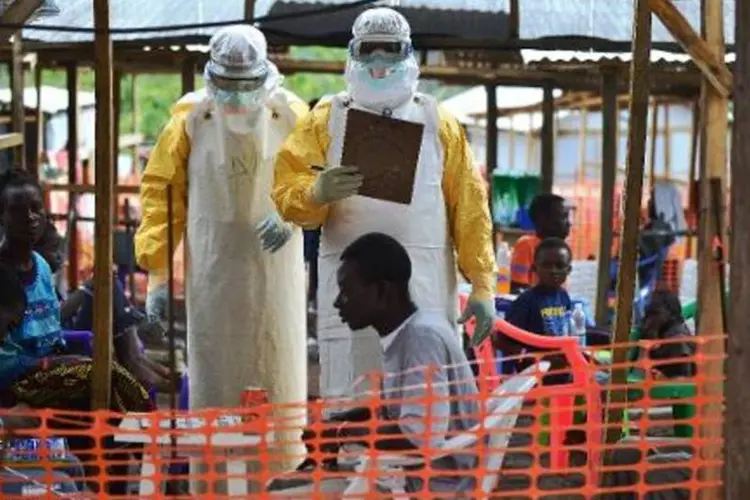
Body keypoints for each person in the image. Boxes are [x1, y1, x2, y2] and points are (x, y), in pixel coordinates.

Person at [272, 7, 496, 398]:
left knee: (422, 390)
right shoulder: (326, 117)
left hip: (423, 283)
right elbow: (288, 187)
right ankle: (354, 455)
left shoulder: (438, 121)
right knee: (354, 391)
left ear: (407, 52)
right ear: (353, 52)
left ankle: (420, 456)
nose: (379, 63)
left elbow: (471, 210)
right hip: (351, 285)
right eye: (369, 51)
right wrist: (315, 192)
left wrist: (482, 284)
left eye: (389, 51)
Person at [134, 25, 309, 471]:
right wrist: (156, 275)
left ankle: (283, 479)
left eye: (246, 86)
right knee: (217, 387)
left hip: (276, 279)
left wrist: (294, 214)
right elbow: (161, 195)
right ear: (213, 79)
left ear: (264, 77)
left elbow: (317, 177)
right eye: (227, 86)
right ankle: (208, 484)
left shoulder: (292, 116)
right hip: (213, 278)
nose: (236, 97)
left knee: (278, 386)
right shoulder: (190, 121)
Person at [0, 169, 151, 495]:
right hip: (16, 383)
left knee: (112, 386)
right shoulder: (1, 274)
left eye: (35, 208)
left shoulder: (39, 266)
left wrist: (58, 356)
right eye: (17, 210)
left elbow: (51, 324)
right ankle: (127, 460)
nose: (30, 217)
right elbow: (6, 357)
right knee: (105, 379)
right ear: (1, 216)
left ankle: (125, 469)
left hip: (48, 368)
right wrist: (48, 364)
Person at [298, 233, 479, 494]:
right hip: (420, 474)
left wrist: (341, 432)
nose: (338, 302)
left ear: (382, 290)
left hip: (441, 484)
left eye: (347, 291)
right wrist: (342, 420)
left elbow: (419, 436)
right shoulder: (411, 331)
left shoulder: (421, 339)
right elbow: (400, 411)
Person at [495, 237, 574, 383]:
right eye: (546, 265)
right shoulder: (526, 301)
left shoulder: (564, 297)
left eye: (559, 265)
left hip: (561, 367)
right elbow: (501, 341)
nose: (553, 271)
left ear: (568, 270)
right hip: (534, 375)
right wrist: (535, 358)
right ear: (535, 268)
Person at [510, 194, 571, 293]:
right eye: (563, 217)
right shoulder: (526, 245)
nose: (569, 223)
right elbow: (517, 287)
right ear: (543, 220)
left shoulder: (561, 250)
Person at [638, 290, 695, 379]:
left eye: (655, 314)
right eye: (648, 314)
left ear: (671, 314)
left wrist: (663, 378)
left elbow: (683, 382)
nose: (650, 320)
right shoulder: (661, 331)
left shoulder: (678, 341)